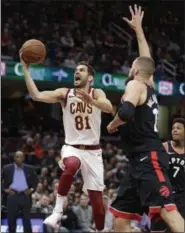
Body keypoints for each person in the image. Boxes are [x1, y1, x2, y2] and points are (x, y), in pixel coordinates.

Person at [107, 5, 184, 233]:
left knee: (168, 212)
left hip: (148, 156)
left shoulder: (135, 84)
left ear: (135, 70)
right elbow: (146, 59)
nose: (130, 67)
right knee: (120, 220)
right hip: (137, 161)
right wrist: (139, 30)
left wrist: (112, 124)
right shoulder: (149, 86)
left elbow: (127, 113)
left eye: (132, 65)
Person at [19, 52, 113, 231]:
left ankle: (100, 230)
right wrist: (25, 69)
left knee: (99, 209)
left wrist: (90, 100)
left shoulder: (97, 92)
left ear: (90, 78)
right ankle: (57, 211)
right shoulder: (65, 93)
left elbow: (108, 107)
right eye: (76, 70)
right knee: (71, 165)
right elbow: (37, 95)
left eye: (82, 70)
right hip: (72, 147)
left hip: (93, 152)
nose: (77, 72)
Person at [151, 118, 185, 232]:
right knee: (158, 229)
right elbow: (153, 167)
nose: (174, 130)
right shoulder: (165, 147)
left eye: (178, 128)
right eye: (173, 128)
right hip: (164, 194)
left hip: (182, 196)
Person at [2, 151, 38, 233]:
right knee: (11, 220)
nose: (17, 158)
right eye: (16, 156)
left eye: (20, 156)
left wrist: (31, 190)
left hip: (25, 196)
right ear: (14, 158)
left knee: (27, 220)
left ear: (23, 158)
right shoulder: (6, 168)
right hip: (12, 196)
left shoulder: (30, 168)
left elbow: (35, 181)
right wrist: (5, 189)